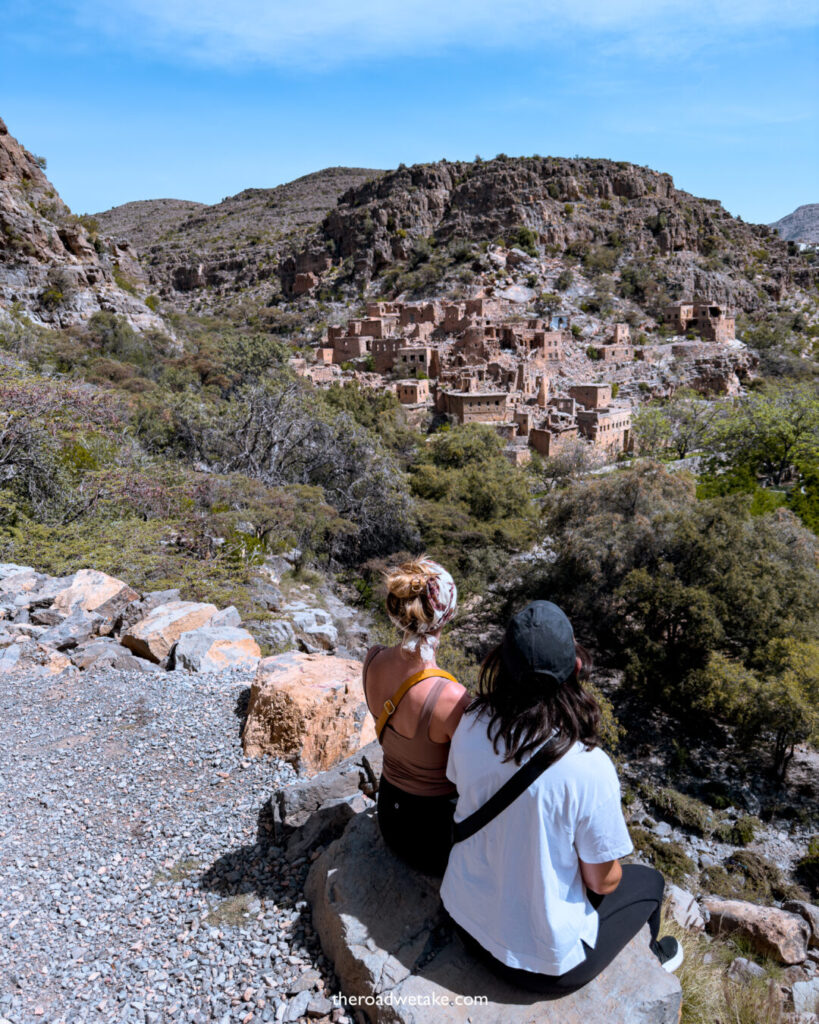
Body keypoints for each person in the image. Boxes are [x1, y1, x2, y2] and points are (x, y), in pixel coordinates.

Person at [441, 600, 683, 993]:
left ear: (501, 663)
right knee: (648, 884)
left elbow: (459, 787)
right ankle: (653, 959)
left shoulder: (471, 720)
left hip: (464, 922)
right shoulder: (589, 766)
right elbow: (602, 883)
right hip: (540, 967)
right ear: (575, 668)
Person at [362, 556, 471, 876]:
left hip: (390, 814)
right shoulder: (449, 697)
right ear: (446, 616)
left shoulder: (373, 661)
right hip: (437, 836)